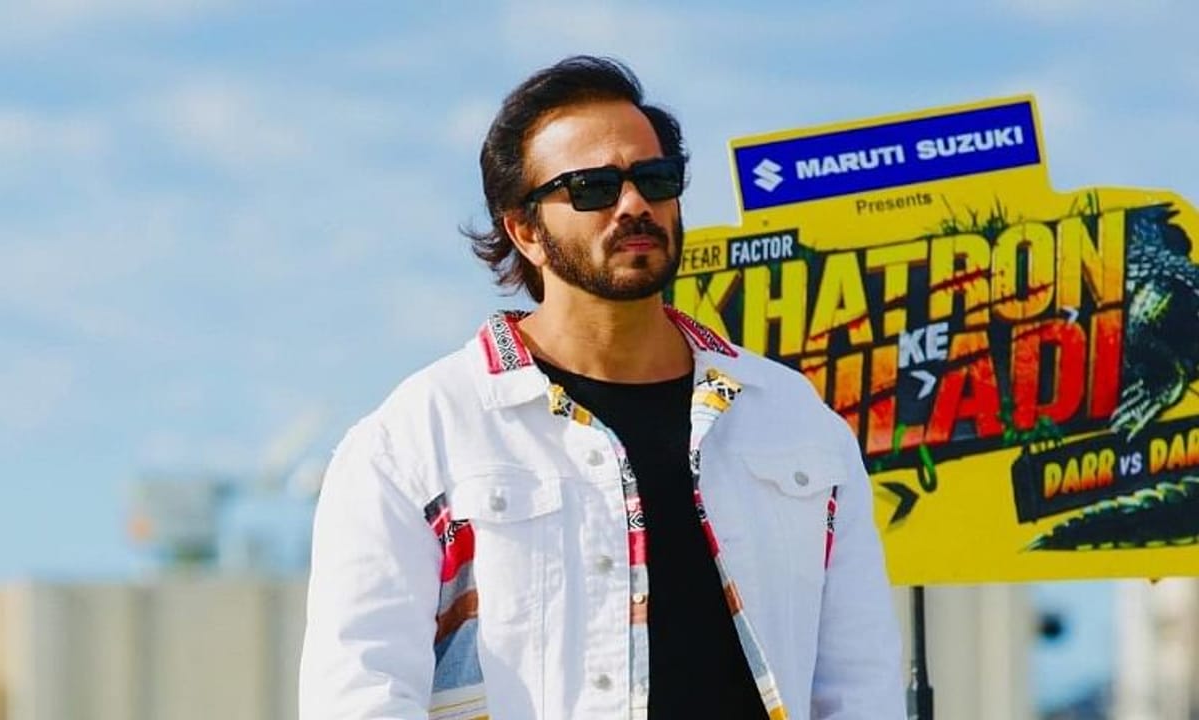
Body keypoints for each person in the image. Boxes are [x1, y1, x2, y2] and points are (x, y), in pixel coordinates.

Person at [300, 55, 904, 719]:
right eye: (592, 187)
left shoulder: (792, 418)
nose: (634, 205)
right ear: (524, 230)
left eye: (655, 179)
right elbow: (360, 696)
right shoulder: (416, 440)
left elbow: (860, 685)